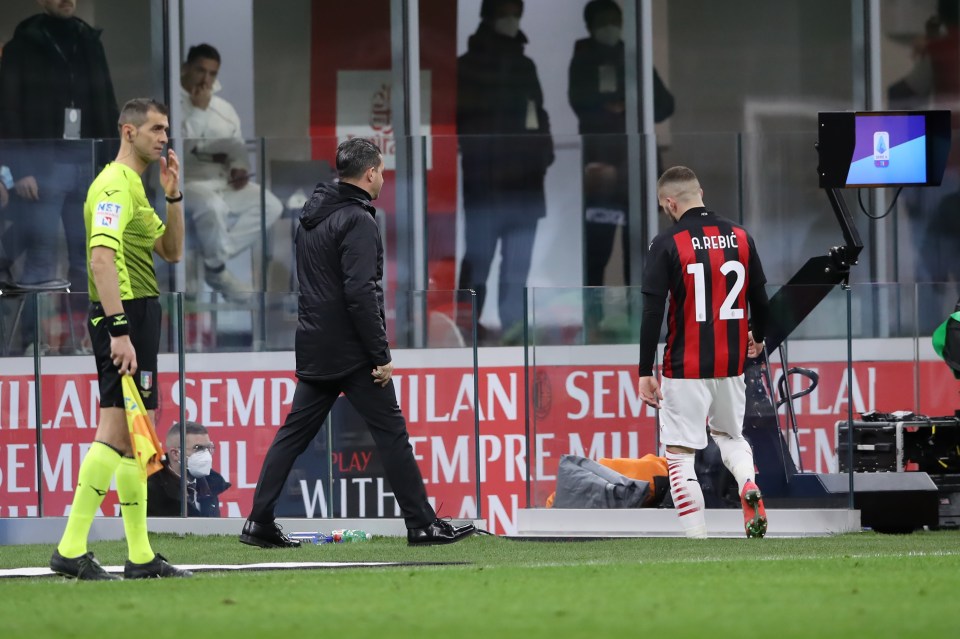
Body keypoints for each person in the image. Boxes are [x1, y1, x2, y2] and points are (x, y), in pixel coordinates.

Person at [240, 138, 475, 548]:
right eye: (381, 171)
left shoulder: (311, 215)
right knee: (391, 433)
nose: (383, 178)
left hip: (314, 342)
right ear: (368, 173)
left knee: (293, 434)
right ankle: (421, 524)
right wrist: (380, 354)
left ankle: (258, 522)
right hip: (351, 350)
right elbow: (361, 293)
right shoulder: (358, 219)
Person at [49, 98, 191, 580]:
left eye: (166, 129)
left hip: (140, 314)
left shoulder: (135, 186)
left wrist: (173, 197)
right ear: (127, 131)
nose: (163, 137)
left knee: (138, 435)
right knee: (116, 431)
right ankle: (71, 547)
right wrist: (119, 330)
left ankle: (140, 556)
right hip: (123, 316)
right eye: (155, 128)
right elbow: (100, 261)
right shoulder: (113, 184)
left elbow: (170, 251)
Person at [637, 166, 770, 539]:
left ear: (669, 202)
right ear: (701, 192)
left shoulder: (666, 243)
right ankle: (747, 482)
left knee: (680, 454)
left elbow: (652, 311)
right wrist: (758, 336)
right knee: (731, 437)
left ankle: (698, 539)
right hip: (731, 362)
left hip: (685, 365)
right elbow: (761, 298)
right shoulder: (742, 237)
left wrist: (644, 369)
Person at [0, 0, 119, 299]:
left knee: (89, 258)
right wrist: (21, 169)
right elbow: (8, 111)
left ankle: (82, 339)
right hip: (43, 165)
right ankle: (31, 343)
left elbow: (107, 104)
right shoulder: (23, 45)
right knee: (41, 257)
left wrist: (112, 165)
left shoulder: (90, 43)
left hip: (88, 160)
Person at [457, 0, 554, 343]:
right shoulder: (467, 67)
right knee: (478, 261)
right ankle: (464, 325)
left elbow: (538, 116)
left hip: (524, 184)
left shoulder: (524, 66)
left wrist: (543, 155)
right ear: (490, 18)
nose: (512, 21)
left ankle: (513, 326)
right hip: (486, 184)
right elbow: (463, 126)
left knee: (517, 266)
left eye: (516, 14)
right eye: (506, 14)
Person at [568, 0, 674, 306]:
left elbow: (665, 104)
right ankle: (593, 316)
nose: (610, 28)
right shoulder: (583, 59)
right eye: (603, 22)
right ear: (590, 26)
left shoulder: (634, 57)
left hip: (636, 169)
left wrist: (632, 105)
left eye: (615, 20)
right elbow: (581, 102)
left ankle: (639, 316)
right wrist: (612, 107)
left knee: (639, 250)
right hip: (601, 172)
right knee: (597, 250)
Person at [180, 43, 282, 303]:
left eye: (212, 74)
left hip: (223, 181)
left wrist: (241, 168)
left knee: (270, 205)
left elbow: (237, 148)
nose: (206, 80)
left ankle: (213, 263)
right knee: (212, 207)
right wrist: (199, 110)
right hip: (186, 183)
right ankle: (217, 269)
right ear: (185, 69)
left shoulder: (224, 109)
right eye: (200, 71)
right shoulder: (171, 103)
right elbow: (183, 149)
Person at [148, 421, 231, 517]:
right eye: (198, 448)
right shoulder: (152, 491)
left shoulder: (210, 485)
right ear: (175, 454)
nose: (206, 455)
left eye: (208, 448)